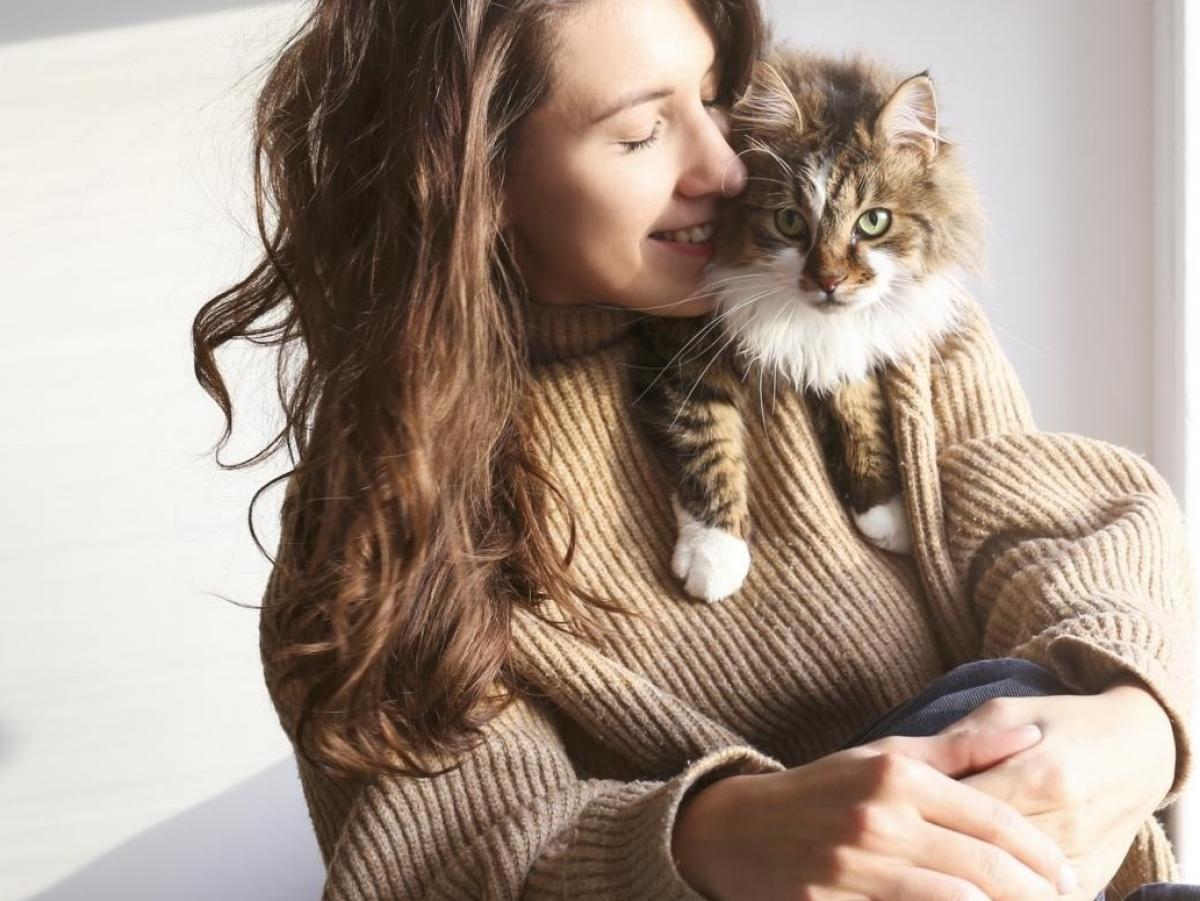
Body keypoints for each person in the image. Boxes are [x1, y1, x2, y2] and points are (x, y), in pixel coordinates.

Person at [190, 0, 1196, 898]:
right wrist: (714, 838)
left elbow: (1067, 532)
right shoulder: (381, 518)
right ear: (472, 182)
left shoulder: (886, 337)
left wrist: (1138, 719)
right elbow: (439, 856)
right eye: (639, 134)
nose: (725, 167)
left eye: (717, 98)